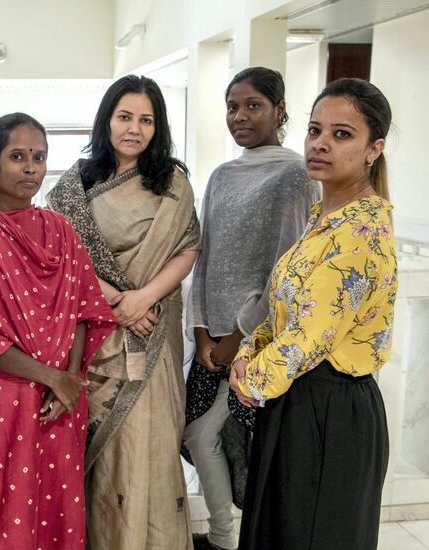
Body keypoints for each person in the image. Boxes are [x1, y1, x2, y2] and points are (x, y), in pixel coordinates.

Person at [0, 112, 116, 549]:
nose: (31, 167)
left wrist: (71, 381)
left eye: (39, 156)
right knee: (9, 515)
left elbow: (83, 312)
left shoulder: (61, 230)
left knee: (62, 514)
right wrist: (55, 379)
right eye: (17, 156)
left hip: (62, 401)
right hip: (5, 399)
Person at [229, 78, 397, 549]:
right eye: (314, 129)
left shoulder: (361, 229)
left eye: (341, 134)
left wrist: (250, 378)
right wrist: (248, 350)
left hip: (330, 410)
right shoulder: (323, 218)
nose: (320, 143)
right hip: (295, 402)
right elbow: (281, 308)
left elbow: (310, 335)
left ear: (373, 148)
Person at [47, 75, 199, 550]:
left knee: (150, 446)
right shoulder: (76, 185)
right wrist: (118, 302)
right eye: (125, 117)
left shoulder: (173, 182)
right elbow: (63, 259)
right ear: (107, 120)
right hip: (99, 337)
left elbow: (188, 247)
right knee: (106, 454)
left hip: (155, 333)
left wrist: (143, 298)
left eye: (146, 120)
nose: (135, 129)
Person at [183, 67, 320, 550]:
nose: (239, 116)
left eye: (253, 106)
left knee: (241, 444)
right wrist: (201, 332)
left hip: (255, 342)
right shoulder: (221, 176)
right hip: (209, 339)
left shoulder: (295, 176)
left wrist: (236, 337)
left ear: (280, 111)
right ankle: (224, 536)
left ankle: (232, 537)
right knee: (198, 438)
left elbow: (283, 271)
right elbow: (204, 256)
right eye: (232, 107)